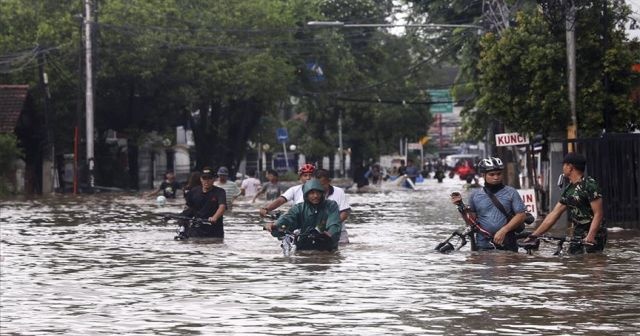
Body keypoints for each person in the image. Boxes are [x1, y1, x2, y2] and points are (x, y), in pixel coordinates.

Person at [523, 153, 606, 254]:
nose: (563, 168)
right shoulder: (569, 189)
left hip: (594, 235)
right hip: (577, 234)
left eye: (564, 165)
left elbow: (599, 213)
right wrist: (534, 235)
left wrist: (591, 236)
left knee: (592, 262)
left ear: (570, 167)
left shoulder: (589, 185)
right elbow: (554, 214)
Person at [450, 157, 527, 251]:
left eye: (499, 174)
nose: (496, 177)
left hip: (507, 244)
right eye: (492, 174)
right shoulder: (475, 195)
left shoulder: (511, 192)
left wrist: (504, 230)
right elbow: (471, 223)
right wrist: (460, 206)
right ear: (483, 175)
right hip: (483, 245)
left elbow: (521, 215)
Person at [263, 178, 342, 251]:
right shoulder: (299, 207)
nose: (316, 196)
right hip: (304, 244)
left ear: (322, 194)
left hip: (327, 245)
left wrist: (329, 234)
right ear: (306, 195)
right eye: (312, 193)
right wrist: (275, 225)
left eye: (318, 192)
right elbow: (288, 218)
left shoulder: (331, 205)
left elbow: (334, 224)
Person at [178, 167, 227, 239]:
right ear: (201, 179)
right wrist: (182, 219)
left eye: (209, 178)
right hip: (197, 230)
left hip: (214, 231)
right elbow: (188, 208)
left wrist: (214, 217)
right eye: (204, 178)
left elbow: (222, 207)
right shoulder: (194, 191)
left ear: (214, 179)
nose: (206, 181)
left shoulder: (220, 192)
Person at [315, 168, 352, 244]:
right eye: (317, 185)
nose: (320, 188)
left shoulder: (339, 192)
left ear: (329, 181)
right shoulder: (311, 194)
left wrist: (329, 225)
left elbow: (345, 213)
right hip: (316, 233)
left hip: (339, 233)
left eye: (322, 184)